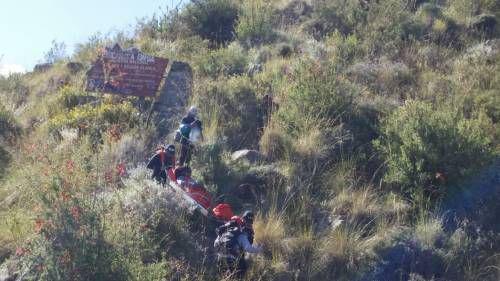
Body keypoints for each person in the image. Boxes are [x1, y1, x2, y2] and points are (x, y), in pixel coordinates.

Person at [214, 211, 262, 278]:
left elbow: (216, 241)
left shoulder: (230, 227)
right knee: (242, 270)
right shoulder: (242, 233)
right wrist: (260, 249)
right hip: (231, 257)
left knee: (223, 274)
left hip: (219, 254)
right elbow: (248, 248)